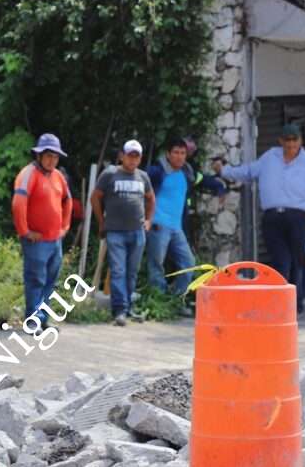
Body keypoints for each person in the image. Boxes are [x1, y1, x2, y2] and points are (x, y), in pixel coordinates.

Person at [212, 122, 305, 313]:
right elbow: (248, 171)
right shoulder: (270, 157)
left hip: (299, 218)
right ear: (281, 141)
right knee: (280, 262)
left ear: (300, 141)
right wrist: (224, 171)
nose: (291, 147)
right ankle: (279, 305)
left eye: (295, 143)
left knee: (296, 263)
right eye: (287, 143)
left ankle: (294, 307)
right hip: (273, 218)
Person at [145, 137, 225, 300]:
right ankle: (158, 299)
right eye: (176, 152)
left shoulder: (187, 172)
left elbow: (204, 180)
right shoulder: (156, 172)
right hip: (157, 225)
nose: (180, 156)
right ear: (168, 154)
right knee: (156, 265)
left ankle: (176, 298)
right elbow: (139, 187)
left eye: (183, 153)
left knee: (188, 263)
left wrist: (220, 187)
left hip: (177, 228)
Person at [92, 140, 155, 327]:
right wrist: (101, 222)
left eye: (136, 156)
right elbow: (95, 197)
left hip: (137, 232)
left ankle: (127, 308)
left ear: (140, 158)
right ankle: (119, 309)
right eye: (130, 155)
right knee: (118, 271)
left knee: (132, 272)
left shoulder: (143, 177)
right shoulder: (110, 173)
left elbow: (151, 199)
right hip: (115, 232)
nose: (133, 160)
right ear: (122, 156)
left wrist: (149, 220)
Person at [12, 133, 72, 329]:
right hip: (36, 241)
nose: (52, 160)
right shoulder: (28, 174)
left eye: (55, 157)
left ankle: (42, 319)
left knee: (50, 281)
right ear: (39, 155)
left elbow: (68, 201)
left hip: (55, 240)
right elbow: (18, 204)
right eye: (48, 155)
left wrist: (65, 227)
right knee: (36, 280)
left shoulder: (58, 176)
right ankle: (32, 320)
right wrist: (25, 231)